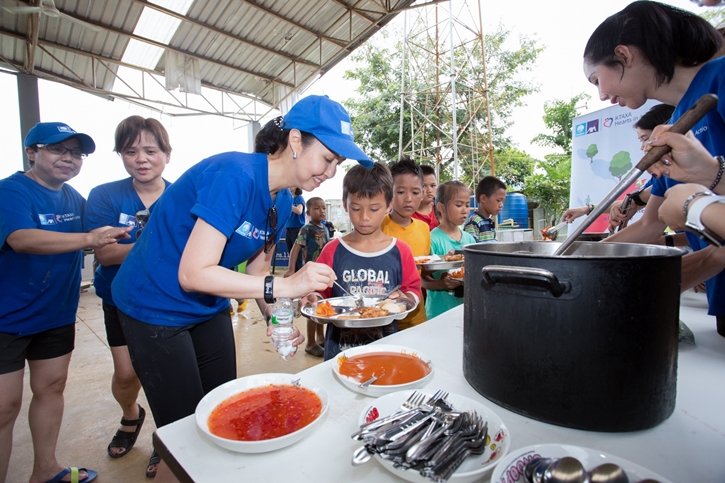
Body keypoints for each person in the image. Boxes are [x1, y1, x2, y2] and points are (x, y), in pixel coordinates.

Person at [109, 95, 371, 482]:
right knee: (183, 437)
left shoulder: (283, 201)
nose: (331, 172)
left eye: (338, 164)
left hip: (206, 306)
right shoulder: (234, 175)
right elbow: (194, 273)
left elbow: (259, 265)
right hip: (154, 306)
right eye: (328, 159)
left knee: (223, 413)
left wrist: (277, 315)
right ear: (296, 141)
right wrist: (288, 283)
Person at [583, 0, 725, 334]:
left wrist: (703, 192)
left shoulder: (719, 78)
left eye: (595, 79)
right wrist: (577, 263)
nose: (602, 95)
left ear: (624, 55)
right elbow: (650, 224)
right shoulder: (674, 123)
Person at [0, 122, 131, 483]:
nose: (69, 158)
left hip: (55, 316)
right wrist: (91, 237)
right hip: (6, 318)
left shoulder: (74, 198)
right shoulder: (11, 191)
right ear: (32, 152)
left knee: (51, 389)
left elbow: (105, 238)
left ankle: (45, 469)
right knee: (4, 407)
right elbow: (21, 239)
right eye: (58, 149)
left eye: (76, 153)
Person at [83, 116, 172, 478]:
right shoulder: (104, 195)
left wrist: (133, 245)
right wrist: (164, 243)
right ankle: (132, 414)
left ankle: (166, 443)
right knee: (125, 373)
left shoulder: (182, 194)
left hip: (169, 300)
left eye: (151, 150)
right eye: (130, 151)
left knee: (167, 375)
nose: (141, 158)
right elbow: (104, 255)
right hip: (118, 298)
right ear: (121, 155)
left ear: (167, 154)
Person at [305, 163, 421, 361]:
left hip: (385, 349)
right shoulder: (333, 250)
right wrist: (312, 298)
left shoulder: (400, 251)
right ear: (344, 204)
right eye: (356, 208)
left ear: (389, 205)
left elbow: (413, 290)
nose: (364, 217)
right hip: (339, 352)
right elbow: (320, 292)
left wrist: (404, 298)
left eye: (374, 209)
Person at [380, 157, 429, 329]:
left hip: (417, 317)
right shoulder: (379, 228)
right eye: (400, 192)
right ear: (388, 192)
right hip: (386, 318)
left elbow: (422, 273)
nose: (408, 198)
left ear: (423, 193)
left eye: (415, 192)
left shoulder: (424, 229)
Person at [284, 197, 330, 357]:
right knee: (312, 308)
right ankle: (310, 343)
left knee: (321, 306)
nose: (322, 211)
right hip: (311, 275)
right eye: (317, 208)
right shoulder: (306, 228)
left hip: (322, 274)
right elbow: (296, 248)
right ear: (309, 212)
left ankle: (321, 338)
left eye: (323, 208)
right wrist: (291, 269)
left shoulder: (324, 229)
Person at [425, 181, 477, 319]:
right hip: (438, 313)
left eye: (467, 205)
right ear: (441, 207)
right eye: (458, 205)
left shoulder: (469, 240)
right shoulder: (432, 239)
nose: (465, 210)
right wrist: (440, 283)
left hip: (463, 312)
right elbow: (421, 277)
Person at [464, 176, 506, 242]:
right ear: (483, 198)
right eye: (498, 200)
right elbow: (470, 249)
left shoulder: (490, 223)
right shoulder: (473, 223)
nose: (501, 205)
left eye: (502, 201)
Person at [284, 187, 306, 272]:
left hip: (297, 229)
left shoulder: (299, 198)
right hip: (289, 228)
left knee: (298, 254)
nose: (289, 187)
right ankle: (293, 272)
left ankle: (299, 272)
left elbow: (299, 211)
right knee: (291, 253)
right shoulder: (290, 198)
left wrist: (288, 204)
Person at [412, 164, 439, 230]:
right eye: (424, 186)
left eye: (433, 185)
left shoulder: (441, 211)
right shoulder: (408, 215)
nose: (429, 190)